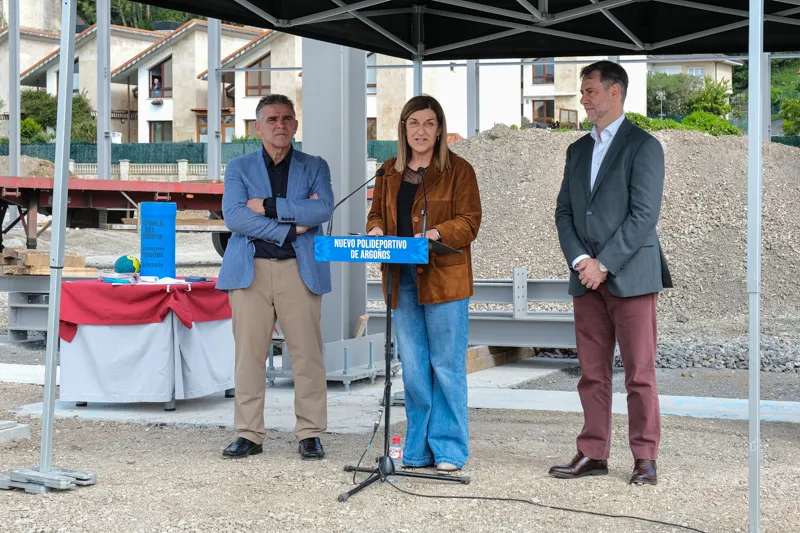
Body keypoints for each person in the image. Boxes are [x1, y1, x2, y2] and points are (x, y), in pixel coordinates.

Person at [552, 61, 672, 485]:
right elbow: (565, 212)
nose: (583, 99)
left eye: (589, 91)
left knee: (639, 373)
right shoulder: (577, 150)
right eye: (583, 92)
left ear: (615, 92)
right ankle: (593, 452)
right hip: (586, 280)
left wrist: (604, 264)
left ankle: (644, 457)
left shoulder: (644, 146)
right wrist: (581, 261)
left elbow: (644, 215)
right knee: (592, 373)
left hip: (631, 277)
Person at [366, 95, 482, 474]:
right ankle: (416, 450)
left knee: (446, 365)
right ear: (403, 129)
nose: (421, 130)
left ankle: (449, 449)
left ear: (439, 129)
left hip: (444, 280)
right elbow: (375, 215)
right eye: (414, 123)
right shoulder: (387, 171)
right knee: (414, 367)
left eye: (429, 123)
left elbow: (469, 222)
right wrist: (377, 229)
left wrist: (436, 232)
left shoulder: (459, 170)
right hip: (401, 280)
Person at [216, 94, 334, 461]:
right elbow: (235, 217)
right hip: (250, 273)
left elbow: (323, 208)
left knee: (307, 356)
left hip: (300, 272)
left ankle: (310, 433)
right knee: (248, 357)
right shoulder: (238, 167)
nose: (279, 125)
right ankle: (249, 434)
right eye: (271, 119)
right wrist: (287, 228)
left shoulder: (315, 165)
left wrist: (268, 206)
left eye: (286, 118)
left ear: (295, 125)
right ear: (258, 127)